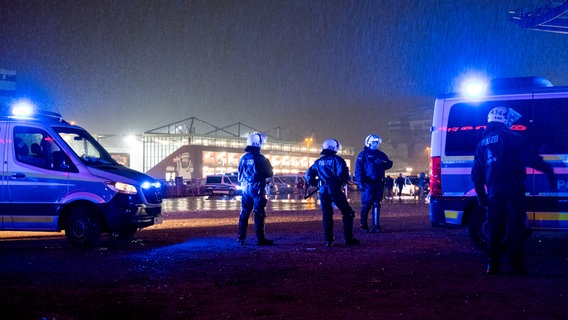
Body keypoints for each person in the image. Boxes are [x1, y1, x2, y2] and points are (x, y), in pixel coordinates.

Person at [471, 106, 555, 275]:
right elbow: (530, 159)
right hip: (513, 188)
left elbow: (476, 174)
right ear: (503, 120)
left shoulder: (481, 144)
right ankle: (516, 265)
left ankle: (492, 265)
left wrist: (481, 196)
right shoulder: (514, 138)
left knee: (494, 227)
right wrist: (548, 171)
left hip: (494, 190)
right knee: (516, 227)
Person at [306, 138, 360, 247]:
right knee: (348, 213)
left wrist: (317, 183)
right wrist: (340, 183)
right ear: (334, 148)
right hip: (335, 190)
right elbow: (343, 175)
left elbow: (308, 175)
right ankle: (348, 239)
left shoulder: (318, 162)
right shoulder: (338, 160)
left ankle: (328, 240)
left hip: (322, 191)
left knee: (327, 214)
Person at [237, 132, 275, 246]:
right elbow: (269, 173)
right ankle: (260, 239)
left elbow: (239, 175)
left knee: (244, 213)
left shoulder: (243, 158)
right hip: (257, 188)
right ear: (258, 144)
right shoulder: (261, 158)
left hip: (245, 189)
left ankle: (241, 238)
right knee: (259, 213)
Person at [355, 134, 393, 233]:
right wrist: (361, 182)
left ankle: (376, 226)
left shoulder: (380, 154)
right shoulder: (362, 155)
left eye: (377, 142)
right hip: (368, 183)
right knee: (366, 205)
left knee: (377, 204)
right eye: (374, 142)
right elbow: (358, 170)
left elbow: (389, 163)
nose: (376, 144)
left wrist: (382, 164)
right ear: (369, 143)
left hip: (378, 183)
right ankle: (363, 225)